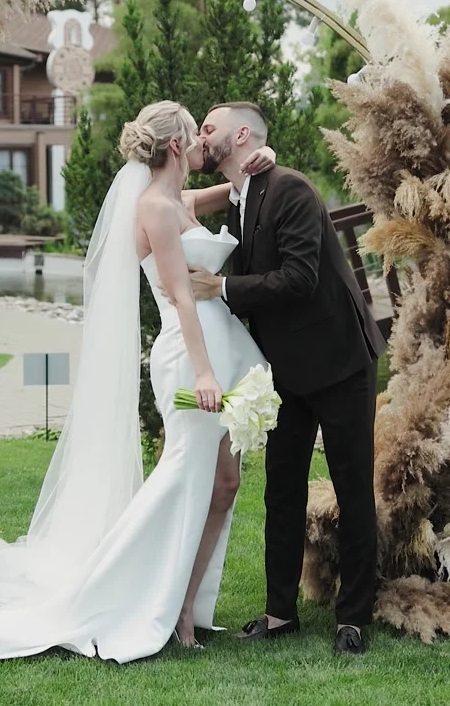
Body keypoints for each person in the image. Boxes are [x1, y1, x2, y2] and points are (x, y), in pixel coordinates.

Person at [0, 100, 276, 662]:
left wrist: (265, 153)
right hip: (189, 356)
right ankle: (122, 593)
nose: (205, 139)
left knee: (225, 487)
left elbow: (238, 188)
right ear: (179, 144)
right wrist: (205, 372)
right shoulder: (154, 208)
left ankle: (187, 606)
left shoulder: (180, 201)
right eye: (196, 131)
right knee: (181, 479)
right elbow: (179, 292)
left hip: (224, 351)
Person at [188, 101, 387, 656]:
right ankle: (280, 613)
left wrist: (222, 289)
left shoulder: (291, 189)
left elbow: (298, 278)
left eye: (211, 127)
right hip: (286, 371)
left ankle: (354, 618)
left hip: (341, 361)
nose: (203, 135)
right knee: (282, 488)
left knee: (352, 488)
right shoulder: (239, 196)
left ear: (243, 134)